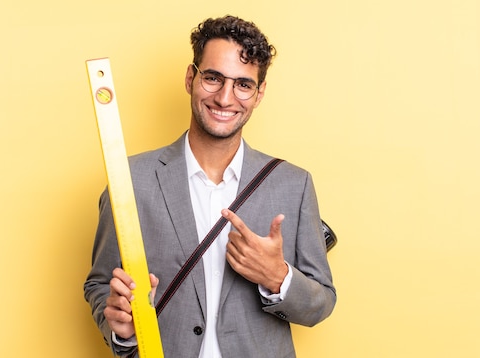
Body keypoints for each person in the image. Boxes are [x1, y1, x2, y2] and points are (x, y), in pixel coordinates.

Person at [84, 15, 336, 358]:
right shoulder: (129, 179)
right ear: (191, 78)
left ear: (259, 93)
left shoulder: (293, 184)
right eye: (213, 78)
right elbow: (100, 284)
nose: (225, 97)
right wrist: (121, 329)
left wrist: (279, 277)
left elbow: (321, 303)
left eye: (243, 85)